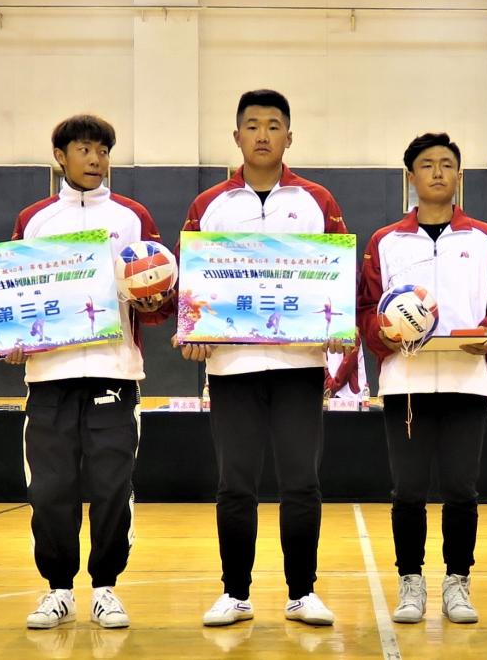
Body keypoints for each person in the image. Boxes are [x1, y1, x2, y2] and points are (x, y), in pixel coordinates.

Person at [178, 90, 349, 627]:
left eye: (274, 126)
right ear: (236, 137)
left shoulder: (317, 201)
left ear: (289, 138)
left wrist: (339, 330)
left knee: (301, 482)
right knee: (235, 485)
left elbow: (336, 277)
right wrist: (193, 332)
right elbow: (192, 287)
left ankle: (302, 592)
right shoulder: (209, 205)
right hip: (232, 369)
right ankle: (235, 593)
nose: (262, 135)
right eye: (252, 125)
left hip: (299, 366)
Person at [6, 114, 174, 630]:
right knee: (49, 488)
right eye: (84, 149)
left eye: (103, 151)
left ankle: (105, 588)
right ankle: (57, 590)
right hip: (48, 376)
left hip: (114, 372)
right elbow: (14, 292)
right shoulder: (34, 220)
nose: (96, 159)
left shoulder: (133, 217)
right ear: (60, 157)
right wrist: (10, 339)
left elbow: (160, 302)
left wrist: (155, 300)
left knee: (111, 486)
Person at [356, 133, 487, 625]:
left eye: (447, 164)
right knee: (407, 489)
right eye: (427, 164)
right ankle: (410, 580)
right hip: (405, 383)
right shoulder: (386, 241)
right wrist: (383, 334)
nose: (438, 172)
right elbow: (366, 308)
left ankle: (457, 580)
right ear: (411, 177)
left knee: (461, 488)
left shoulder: (485, 238)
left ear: (459, 176)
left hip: (467, 382)